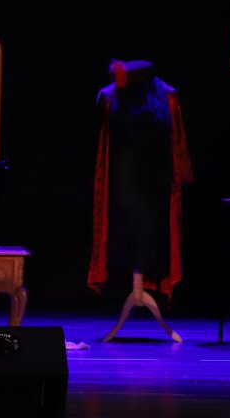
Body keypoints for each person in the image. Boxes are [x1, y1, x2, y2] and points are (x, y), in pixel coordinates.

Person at [86, 58, 193, 342]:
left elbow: (175, 142)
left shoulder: (165, 97)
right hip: (126, 179)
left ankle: (141, 284)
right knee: (131, 231)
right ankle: (135, 287)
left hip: (152, 181)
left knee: (148, 232)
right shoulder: (112, 97)